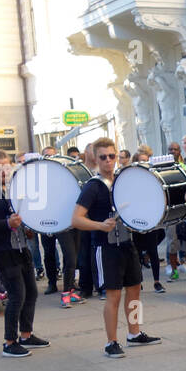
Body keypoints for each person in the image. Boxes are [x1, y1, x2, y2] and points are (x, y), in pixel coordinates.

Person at [72, 138, 161, 357]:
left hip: (126, 243)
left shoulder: (122, 180)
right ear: (95, 158)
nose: (109, 161)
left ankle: (134, 333)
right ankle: (111, 341)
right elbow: (76, 219)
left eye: (112, 156)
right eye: (103, 157)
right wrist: (100, 226)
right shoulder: (93, 187)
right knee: (113, 296)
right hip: (106, 247)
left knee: (135, 290)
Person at [0, 150, 49, 358]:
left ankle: (26, 335)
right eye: (1, 167)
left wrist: (26, 228)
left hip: (19, 247)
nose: (6, 171)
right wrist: (7, 223)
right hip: (2, 251)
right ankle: (9, 341)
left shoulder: (9, 189)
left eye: (8, 166)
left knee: (31, 292)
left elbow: (18, 218)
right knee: (17, 295)